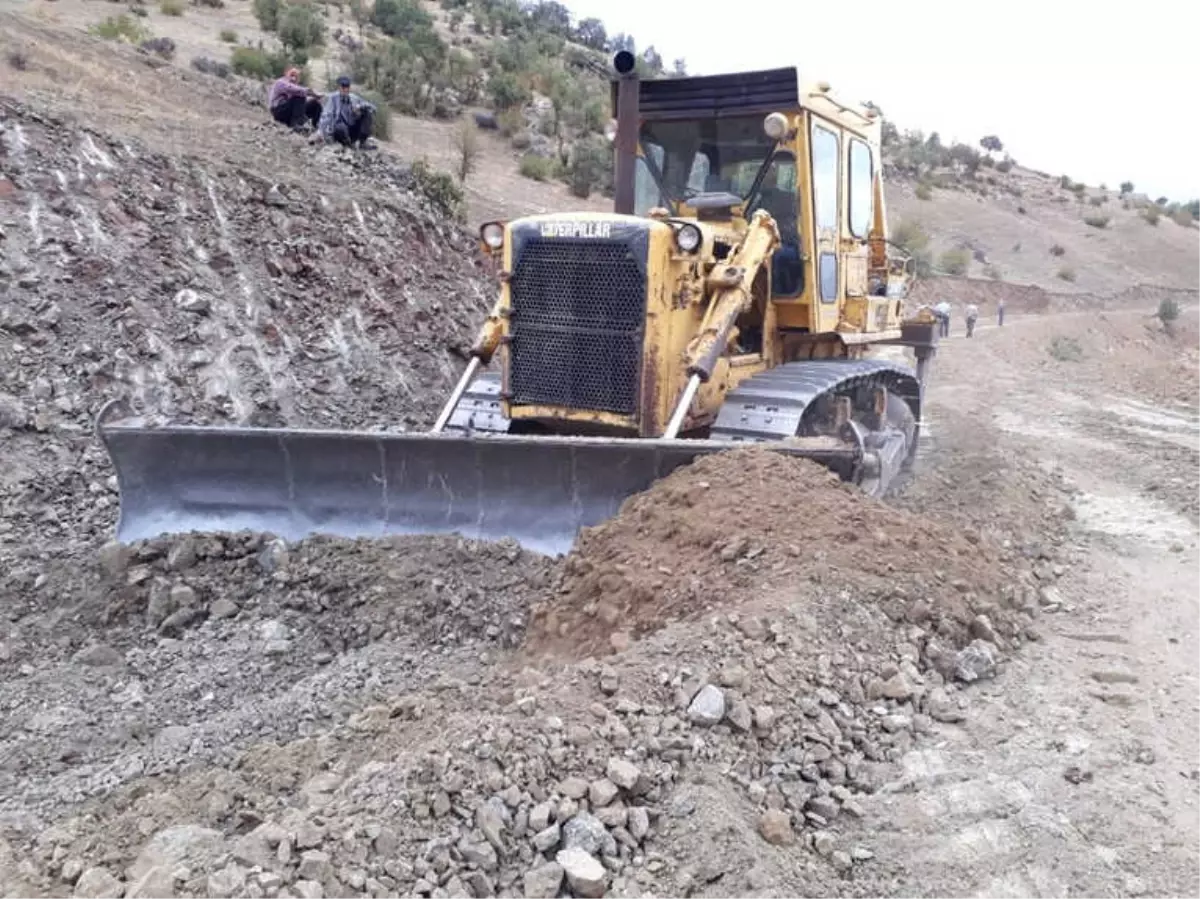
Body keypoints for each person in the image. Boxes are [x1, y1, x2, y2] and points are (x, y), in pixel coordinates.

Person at [314, 75, 376, 149]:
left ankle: (363, 142)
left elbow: (373, 108)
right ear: (339, 87)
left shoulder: (354, 98)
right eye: (343, 87)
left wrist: (360, 107)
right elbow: (327, 115)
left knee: (367, 113)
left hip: (353, 128)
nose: (345, 90)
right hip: (339, 129)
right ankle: (348, 144)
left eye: (347, 87)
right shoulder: (333, 98)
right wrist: (321, 131)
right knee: (340, 127)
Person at [268, 67, 322, 132]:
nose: (294, 77)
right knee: (300, 96)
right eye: (292, 74)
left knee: (315, 103)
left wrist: (314, 97)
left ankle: (315, 126)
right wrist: (312, 92)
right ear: (286, 73)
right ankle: (296, 124)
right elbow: (294, 89)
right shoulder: (280, 82)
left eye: (296, 76)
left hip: (290, 112)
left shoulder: (295, 86)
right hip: (278, 111)